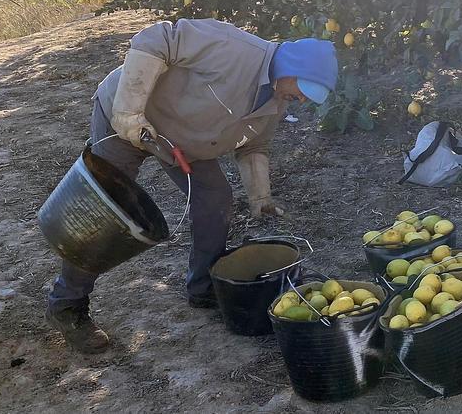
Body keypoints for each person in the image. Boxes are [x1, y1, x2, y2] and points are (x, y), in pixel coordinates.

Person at [45, 18, 338, 353]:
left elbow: (254, 147)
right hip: (129, 118)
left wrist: (261, 196)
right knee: (103, 211)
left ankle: (203, 286)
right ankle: (67, 304)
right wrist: (128, 110)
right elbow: (156, 39)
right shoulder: (234, 48)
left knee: (215, 200)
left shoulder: (275, 102)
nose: (301, 99)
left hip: (183, 144)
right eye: (303, 89)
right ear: (291, 68)